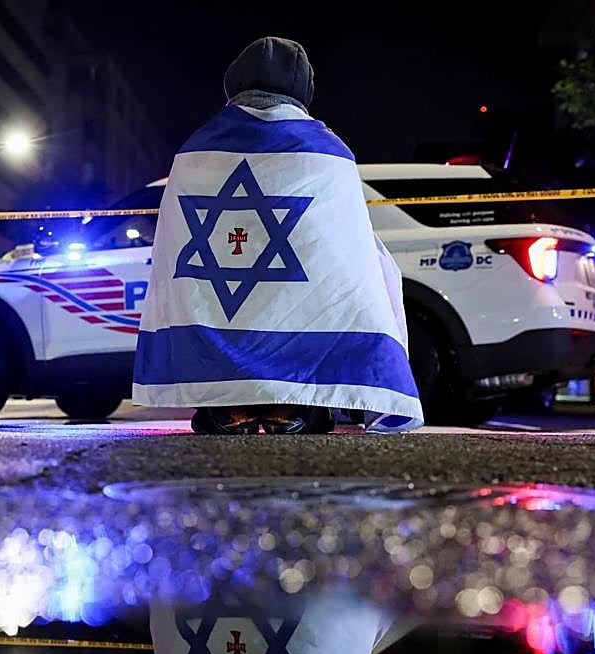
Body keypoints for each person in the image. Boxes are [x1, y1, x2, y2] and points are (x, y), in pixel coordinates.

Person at [132, 37, 423, 434]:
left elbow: (174, 252)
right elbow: (345, 258)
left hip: (221, 378)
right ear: (302, 90)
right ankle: (290, 404)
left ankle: (233, 404)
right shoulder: (329, 154)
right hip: (301, 382)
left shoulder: (195, 151)